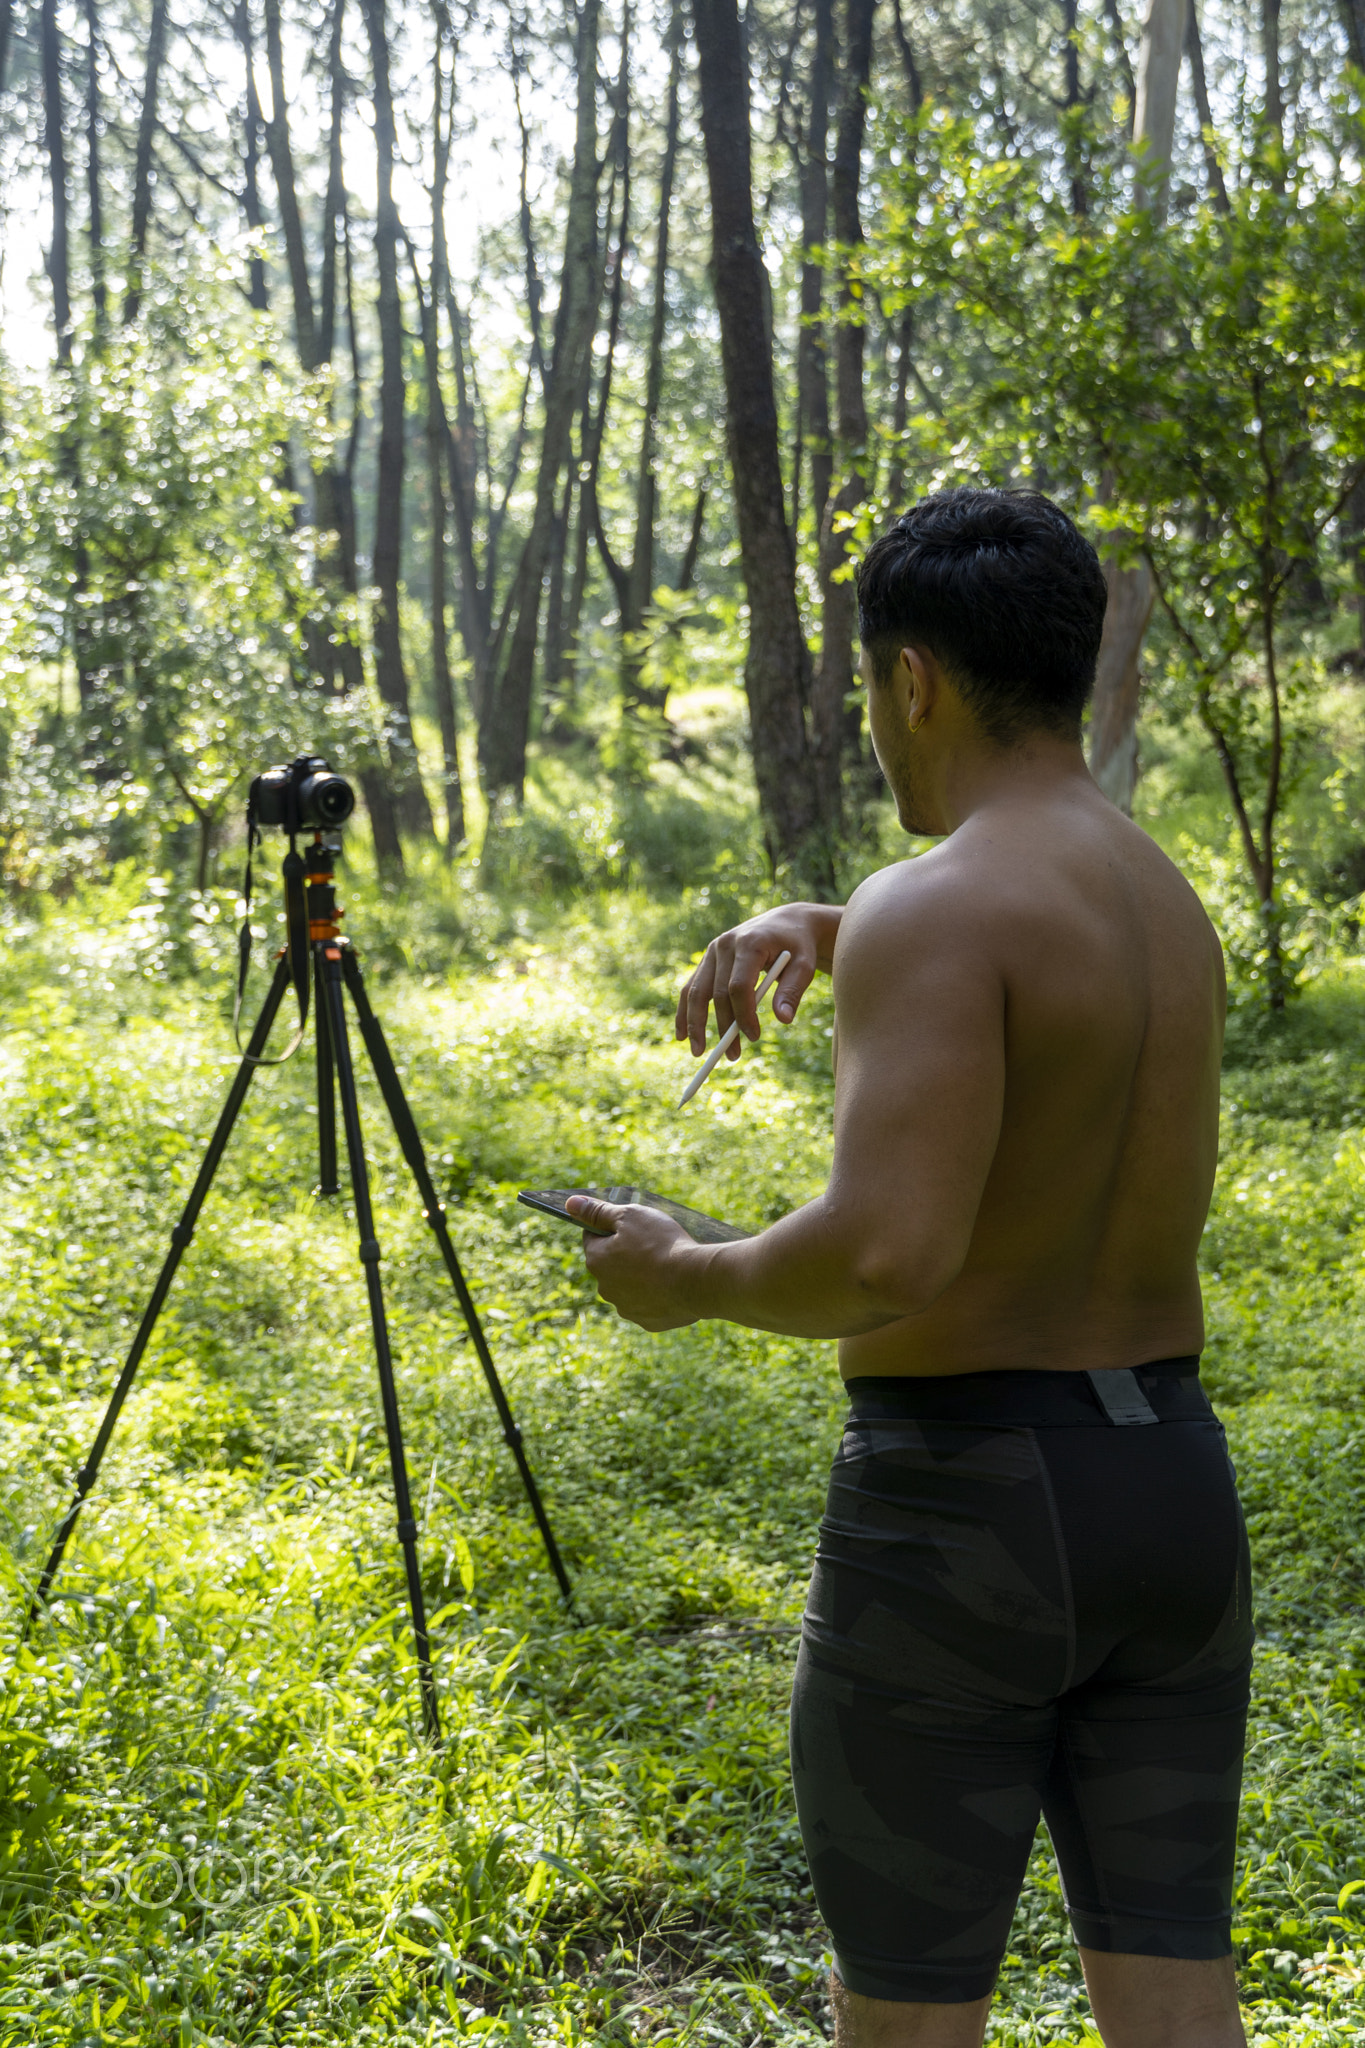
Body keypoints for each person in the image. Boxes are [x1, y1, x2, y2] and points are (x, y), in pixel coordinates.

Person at [566, 487, 1251, 2048]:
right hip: (1169, 1499)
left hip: (963, 1518)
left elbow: (885, 1253)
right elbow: (1047, 1011)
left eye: (871, 687)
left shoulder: (931, 908)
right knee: (1172, 2001)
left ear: (914, 680)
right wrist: (845, 920)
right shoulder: (1159, 900)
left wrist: (687, 1271)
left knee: (908, 2020)